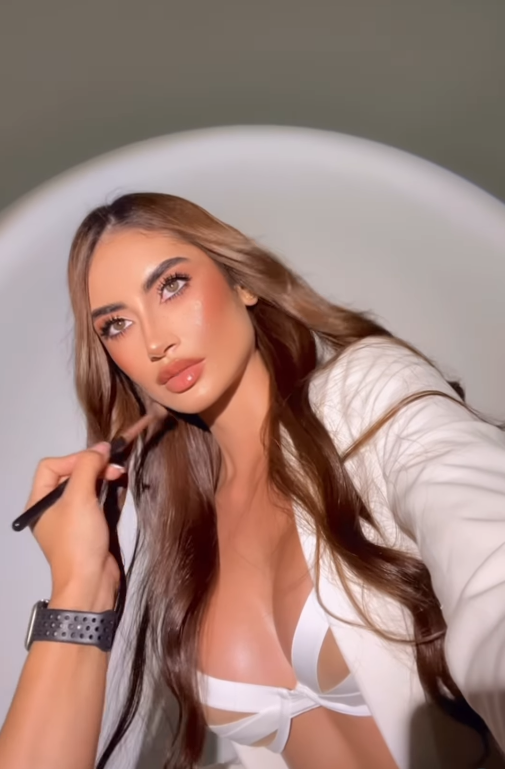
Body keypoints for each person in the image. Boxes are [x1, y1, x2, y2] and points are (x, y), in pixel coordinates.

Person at [1, 191, 504, 769]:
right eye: (117, 325)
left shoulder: (364, 396)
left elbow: (490, 561)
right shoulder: (182, 537)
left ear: (241, 282)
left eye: (171, 286)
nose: (155, 342)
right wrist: (80, 584)